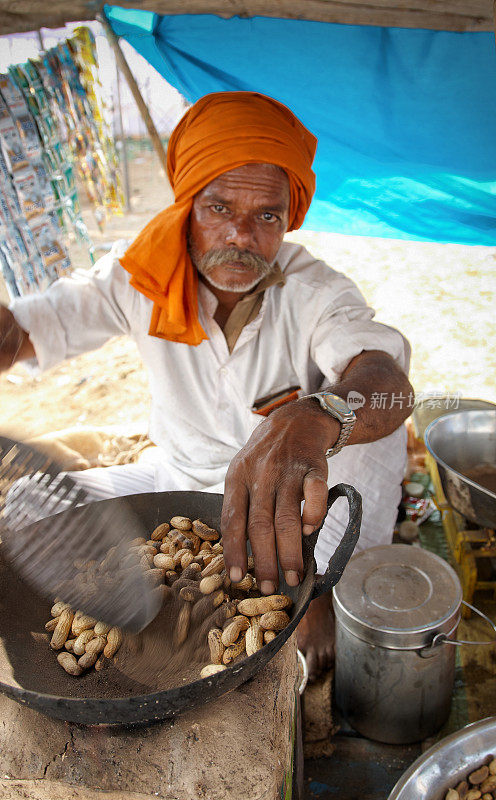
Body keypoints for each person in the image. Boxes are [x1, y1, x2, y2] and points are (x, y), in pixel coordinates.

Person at [0, 92, 413, 680]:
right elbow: (35, 328)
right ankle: (128, 594)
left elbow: (390, 383)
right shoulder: (141, 277)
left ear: (288, 217)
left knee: (366, 427)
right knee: (24, 504)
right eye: (218, 208)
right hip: (179, 481)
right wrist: (8, 337)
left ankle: (318, 587)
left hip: (285, 499)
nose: (241, 237)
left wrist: (314, 416)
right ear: (188, 204)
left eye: (266, 215)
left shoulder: (316, 292)